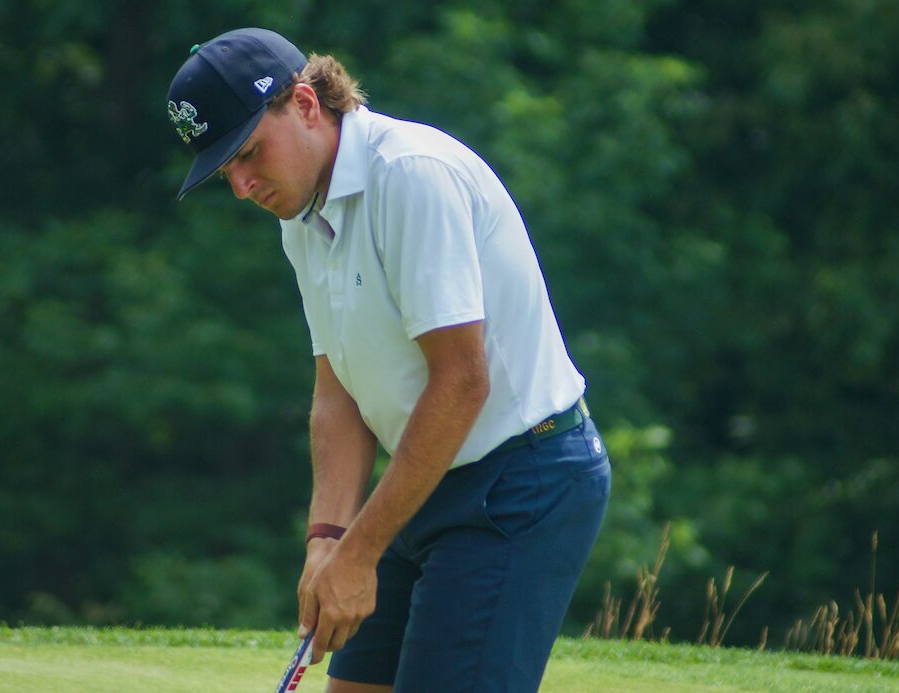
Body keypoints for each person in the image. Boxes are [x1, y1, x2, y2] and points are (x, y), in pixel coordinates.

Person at [166, 28, 611, 692]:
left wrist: (360, 551)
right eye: (225, 167)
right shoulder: (300, 217)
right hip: (423, 475)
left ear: (306, 104)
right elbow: (338, 391)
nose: (241, 185)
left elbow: (462, 381)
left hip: (521, 483)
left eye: (249, 152)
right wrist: (327, 538)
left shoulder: (409, 177)